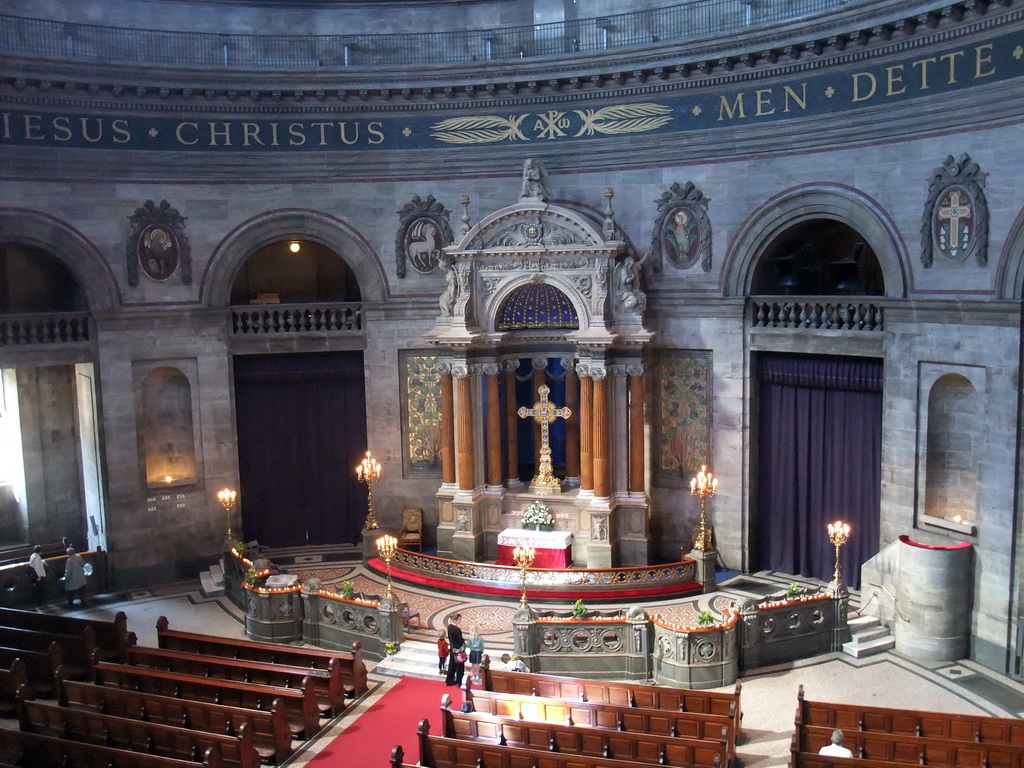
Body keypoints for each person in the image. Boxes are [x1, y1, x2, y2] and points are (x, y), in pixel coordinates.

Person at [444, 613, 465, 688]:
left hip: (452, 649)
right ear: (456, 620)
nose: (460, 621)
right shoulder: (457, 629)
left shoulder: (449, 627)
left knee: (452, 665)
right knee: (460, 667)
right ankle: (459, 682)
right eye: (459, 619)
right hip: (459, 650)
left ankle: (449, 680)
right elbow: (460, 640)